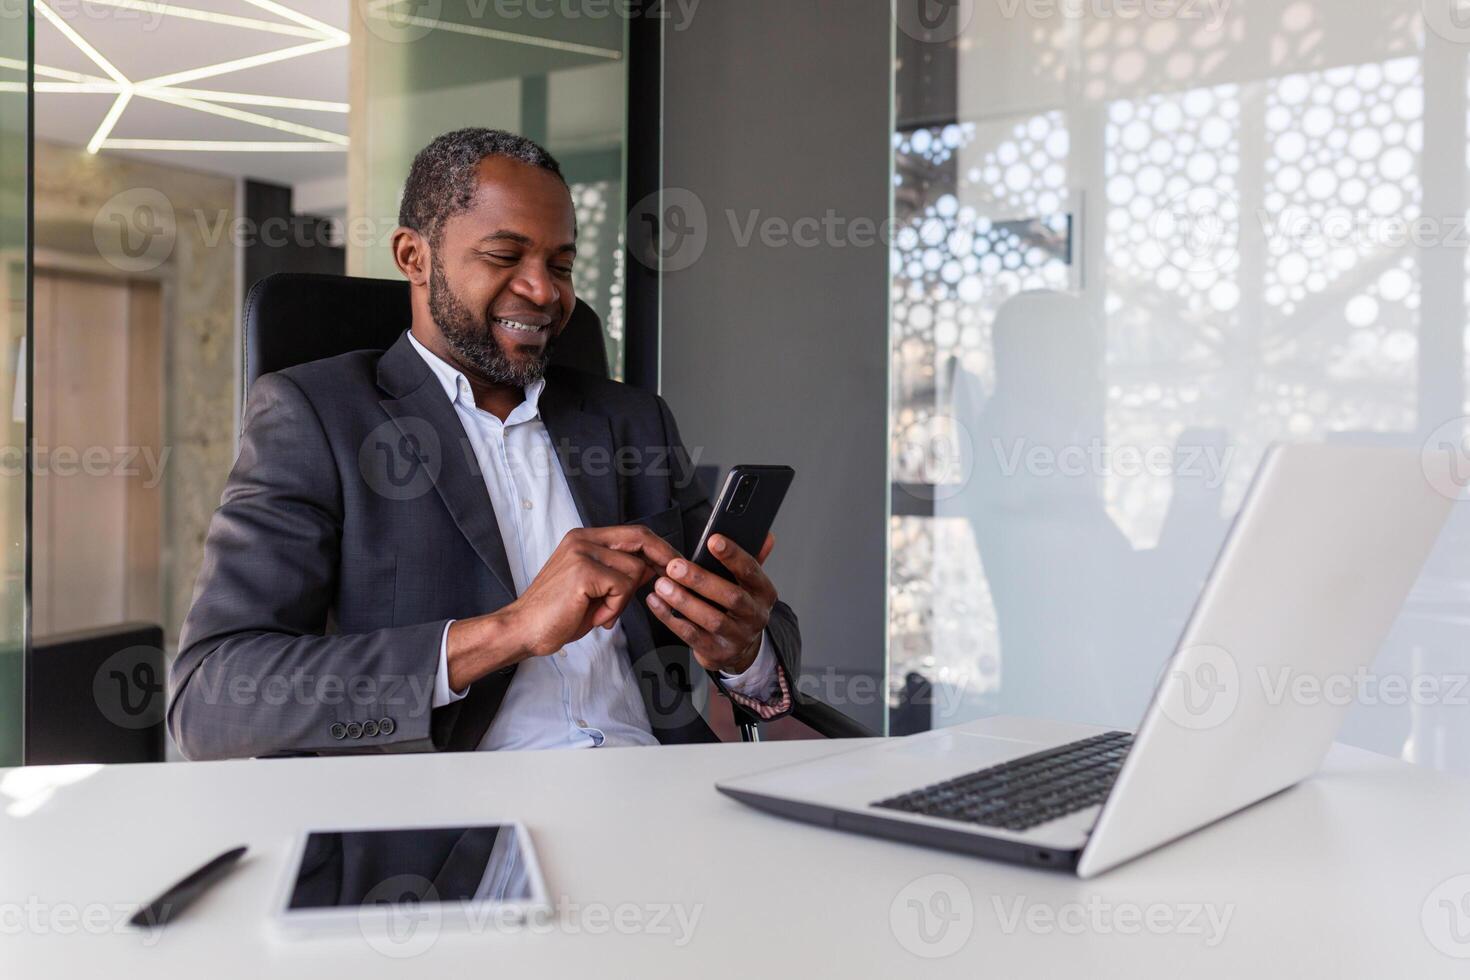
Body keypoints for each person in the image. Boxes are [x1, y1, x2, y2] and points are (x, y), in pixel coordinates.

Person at [168, 129, 799, 759]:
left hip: (661, 792)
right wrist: (509, 630)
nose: (545, 291)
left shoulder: (632, 421)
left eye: (561, 265)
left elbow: (767, 648)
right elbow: (212, 698)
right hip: (461, 832)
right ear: (414, 256)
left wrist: (740, 647)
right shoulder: (316, 417)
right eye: (504, 256)